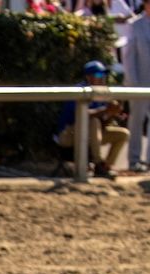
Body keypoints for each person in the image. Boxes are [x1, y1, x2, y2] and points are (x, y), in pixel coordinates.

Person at [55, 59, 130, 178]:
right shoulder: (80, 90)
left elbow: (103, 122)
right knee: (93, 121)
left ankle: (106, 166)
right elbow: (82, 115)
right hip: (68, 135)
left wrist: (112, 113)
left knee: (123, 134)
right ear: (88, 77)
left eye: (104, 74)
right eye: (98, 75)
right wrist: (105, 110)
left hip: (89, 135)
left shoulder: (102, 92)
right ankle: (98, 163)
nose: (102, 78)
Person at [124, 0, 150, 171]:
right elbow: (128, 56)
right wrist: (133, 82)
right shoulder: (135, 25)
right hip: (140, 80)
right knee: (136, 121)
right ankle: (134, 160)